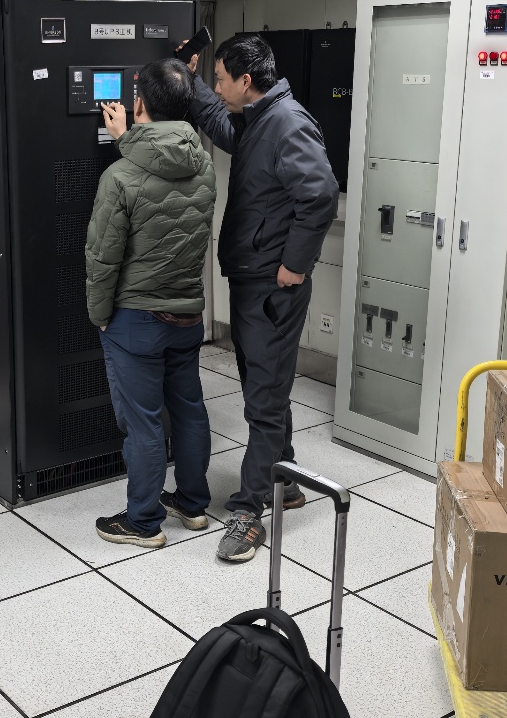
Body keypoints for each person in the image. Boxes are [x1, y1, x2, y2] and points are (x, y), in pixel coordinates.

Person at [183, 33, 338, 563]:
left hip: (274, 286)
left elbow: (320, 195)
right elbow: (222, 124)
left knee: (264, 399)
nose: (217, 88)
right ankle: (285, 480)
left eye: (220, 79)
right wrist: (190, 83)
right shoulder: (258, 118)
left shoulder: (288, 123)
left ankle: (249, 511)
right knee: (262, 385)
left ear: (246, 81)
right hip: (253, 278)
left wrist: (295, 265)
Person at [86, 57, 217, 548]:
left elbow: (103, 257)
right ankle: (193, 505)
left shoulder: (119, 177)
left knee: (142, 423)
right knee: (189, 410)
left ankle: (142, 522)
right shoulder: (205, 165)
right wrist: (130, 138)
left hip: (135, 320)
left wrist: (100, 315)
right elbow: (165, 175)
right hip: (187, 314)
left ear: (139, 104)